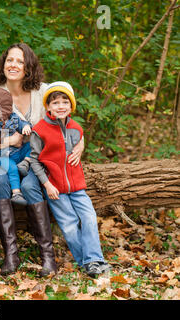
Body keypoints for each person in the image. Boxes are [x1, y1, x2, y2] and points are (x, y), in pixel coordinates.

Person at [0, 43, 84, 276]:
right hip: (5, 159)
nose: (14, 65)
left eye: (20, 61)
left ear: (28, 66)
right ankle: (11, 254)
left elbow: (68, 122)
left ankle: (47, 257)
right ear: (3, 64)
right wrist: (8, 142)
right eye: (10, 60)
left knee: (31, 185)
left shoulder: (44, 91)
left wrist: (81, 144)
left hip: (37, 162)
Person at [28, 81, 111, 277]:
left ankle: (94, 259)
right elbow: (34, 160)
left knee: (89, 218)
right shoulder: (40, 130)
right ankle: (88, 262)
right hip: (55, 188)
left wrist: (81, 146)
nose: (60, 106)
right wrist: (47, 185)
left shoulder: (76, 128)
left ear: (71, 105)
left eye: (65, 101)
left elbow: (78, 139)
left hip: (77, 186)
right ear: (47, 106)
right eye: (55, 102)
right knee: (70, 225)